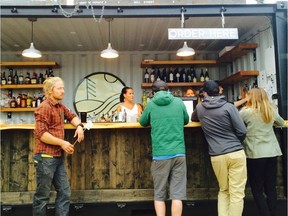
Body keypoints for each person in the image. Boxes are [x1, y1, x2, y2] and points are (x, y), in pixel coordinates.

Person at [191, 80, 247, 216]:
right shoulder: (229, 107)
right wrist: (235, 142)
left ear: (204, 92)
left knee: (223, 190)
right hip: (235, 152)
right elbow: (242, 131)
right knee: (237, 193)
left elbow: (193, 118)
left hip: (217, 154)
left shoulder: (200, 108)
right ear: (220, 90)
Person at [33, 77, 85, 216]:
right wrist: (62, 143)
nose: (63, 91)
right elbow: (41, 134)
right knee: (42, 196)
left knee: (64, 192)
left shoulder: (59, 107)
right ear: (50, 91)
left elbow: (72, 116)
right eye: (59, 88)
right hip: (45, 157)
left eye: (63, 88)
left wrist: (79, 126)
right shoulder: (44, 107)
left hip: (57, 157)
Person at [139, 80, 189, 216]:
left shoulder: (151, 104)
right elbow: (186, 120)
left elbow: (142, 122)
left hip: (160, 154)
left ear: (153, 92)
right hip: (179, 152)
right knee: (177, 194)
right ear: (168, 90)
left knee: (160, 194)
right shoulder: (178, 102)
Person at [239, 88, 285, 216]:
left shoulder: (246, 112)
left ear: (251, 97)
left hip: (255, 154)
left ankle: (265, 213)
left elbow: (235, 124)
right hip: (271, 152)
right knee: (271, 187)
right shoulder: (270, 110)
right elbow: (281, 122)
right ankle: (273, 213)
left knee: (257, 188)